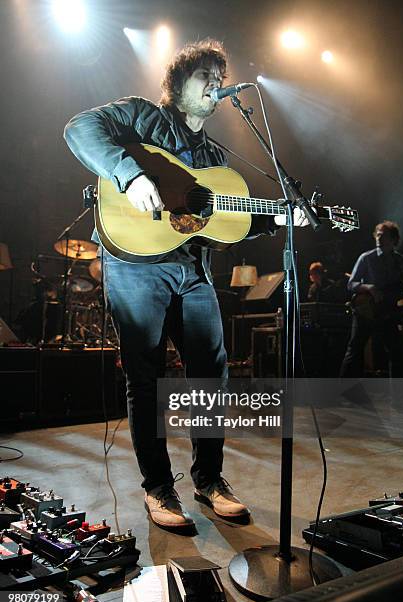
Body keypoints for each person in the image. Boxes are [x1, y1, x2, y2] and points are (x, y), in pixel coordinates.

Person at [64, 39, 308, 531]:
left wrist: (281, 217)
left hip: (190, 268)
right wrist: (130, 175)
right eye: (205, 75)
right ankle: (158, 489)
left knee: (211, 372)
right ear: (177, 84)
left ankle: (210, 479)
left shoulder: (212, 153)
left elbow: (224, 221)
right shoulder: (139, 116)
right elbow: (78, 128)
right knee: (146, 376)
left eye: (220, 76)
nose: (216, 84)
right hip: (134, 262)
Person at [340, 220, 403, 378]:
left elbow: (401, 287)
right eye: (377, 235)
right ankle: (344, 393)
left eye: (383, 235)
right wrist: (369, 287)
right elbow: (351, 284)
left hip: (387, 311)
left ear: (393, 239)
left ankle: (398, 398)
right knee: (355, 350)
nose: (378, 238)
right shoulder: (366, 258)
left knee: (397, 351)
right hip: (366, 312)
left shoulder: (400, 261)